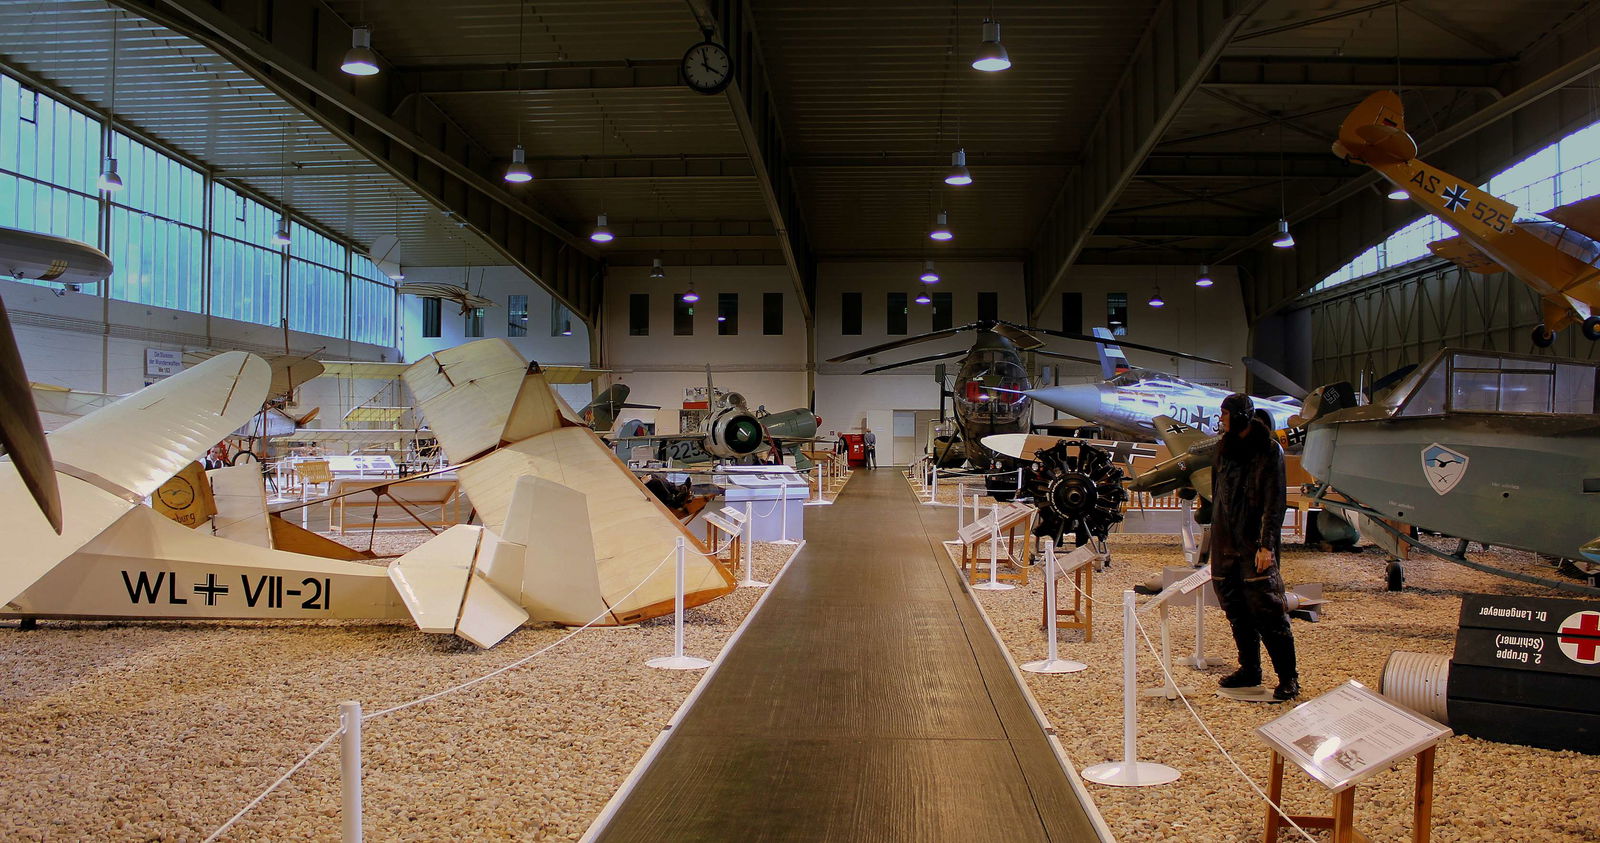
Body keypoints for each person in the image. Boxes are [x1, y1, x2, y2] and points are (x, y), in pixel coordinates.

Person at [1210, 392, 1299, 700]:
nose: (1221, 420)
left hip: (1254, 544)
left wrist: (1266, 545)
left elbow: (1275, 501)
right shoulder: (1223, 448)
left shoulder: (1269, 450)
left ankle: (1288, 678)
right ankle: (1250, 669)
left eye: (1225, 414)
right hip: (1225, 543)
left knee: (1268, 610)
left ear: (1240, 416)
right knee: (1235, 608)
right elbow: (1217, 495)